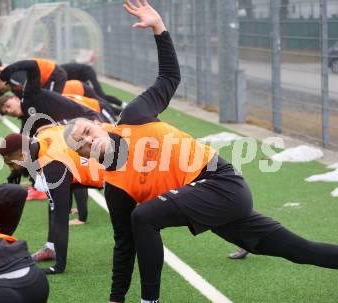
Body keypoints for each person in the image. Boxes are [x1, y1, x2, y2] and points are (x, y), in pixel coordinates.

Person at [63, 1, 338, 302]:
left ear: (97, 123)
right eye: (82, 145)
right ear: (85, 156)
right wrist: (116, 298)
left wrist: (159, 28)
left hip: (221, 182)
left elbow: (169, 78)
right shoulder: (115, 189)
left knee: (144, 216)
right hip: (212, 207)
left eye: (87, 132)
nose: (89, 141)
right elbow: (124, 246)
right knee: (300, 250)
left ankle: (149, 300)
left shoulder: (135, 115)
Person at [0, 127, 104, 274]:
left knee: (129, 230)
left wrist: (58, 267)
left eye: (11, 164)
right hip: (109, 152)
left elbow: (61, 219)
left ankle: (57, 259)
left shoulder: (53, 168)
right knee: (54, 203)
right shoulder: (43, 135)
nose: (11, 169)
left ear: (23, 155)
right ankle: (51, 248)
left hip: (115, 173)